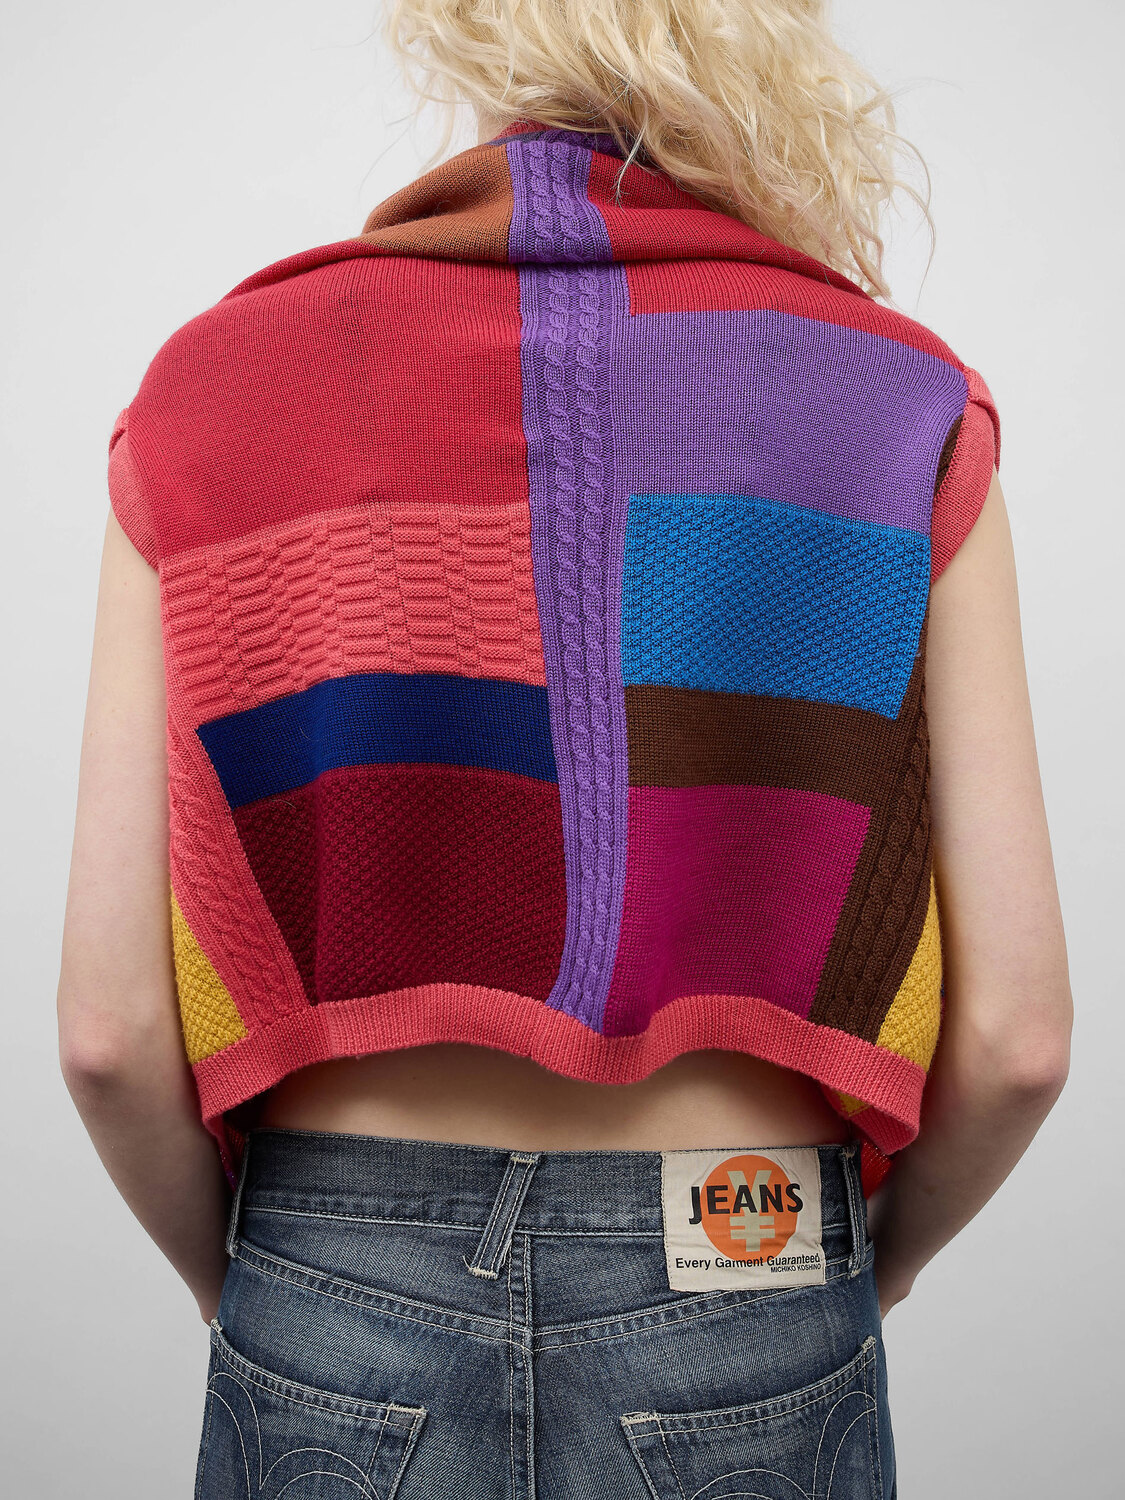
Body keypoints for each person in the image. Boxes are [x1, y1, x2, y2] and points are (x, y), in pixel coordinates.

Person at [58, 2, 1072, 1495]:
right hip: (748, 1233)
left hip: (332, 1250)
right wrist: (862, 1274)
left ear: (470, 38)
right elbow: (1017, 1044)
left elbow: (108, 1036)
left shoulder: (215, 389)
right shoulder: (895, 399)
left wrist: (274, 1287)